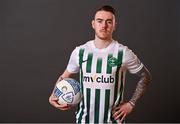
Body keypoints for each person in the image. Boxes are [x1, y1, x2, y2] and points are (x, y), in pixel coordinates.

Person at [49, 5, 151, 123]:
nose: (104, 25)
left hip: (113, 121)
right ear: (93, 24)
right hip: (83, 120)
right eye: (100, 21)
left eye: (109, 22)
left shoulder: (123, 53)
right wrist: (53, 95)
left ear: (114, 26)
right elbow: (64, 76)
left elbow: (146, 76)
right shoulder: (79, 52)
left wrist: (131, 104)